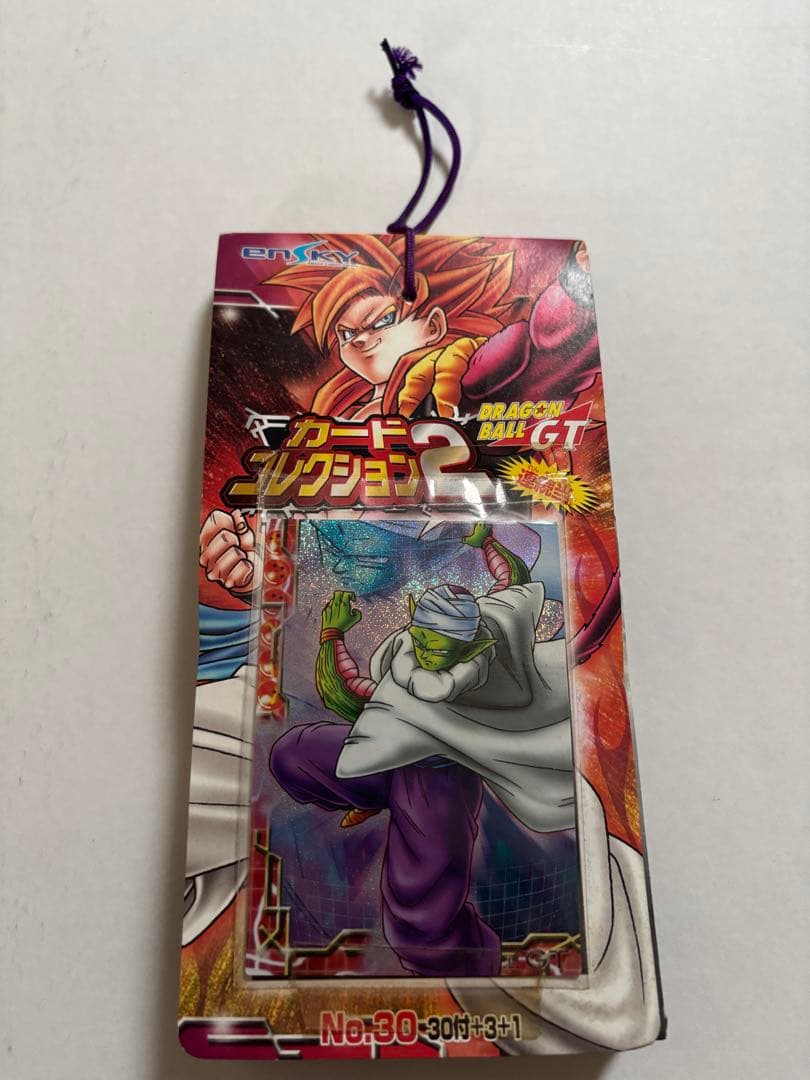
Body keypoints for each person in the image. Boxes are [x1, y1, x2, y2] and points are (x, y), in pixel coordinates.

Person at [269, 523, 574, 977]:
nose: (427, 652)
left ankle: (474, 974)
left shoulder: (490, 664)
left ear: (468, 643)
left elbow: (352, 695)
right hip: (392, 755)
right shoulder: (410, 655)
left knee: (420, 917)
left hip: (439, 781)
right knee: (293, 755)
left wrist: (334, 638)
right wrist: (487, 542)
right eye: (423, 640)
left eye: (439, 646)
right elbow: (512, 580)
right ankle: (369, 796)